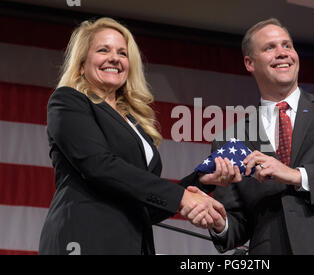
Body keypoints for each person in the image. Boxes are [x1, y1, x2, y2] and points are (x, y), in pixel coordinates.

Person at [188, 18, 314, 254]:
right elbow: (238, 224)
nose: (282, 53)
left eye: (287, 46)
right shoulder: (232, 139)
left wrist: (297, 175)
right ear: (249, 63)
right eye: (270, 48)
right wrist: (220, 223)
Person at [38, 17, 226, 255]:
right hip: (83, 240)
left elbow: (143, 204)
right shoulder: (68, 100)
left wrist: (200, 181)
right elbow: (99, 165)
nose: (115, 58)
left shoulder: (134, 122)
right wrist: (181, 198)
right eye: (103, 50)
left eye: (122, 53)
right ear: (82, 63)